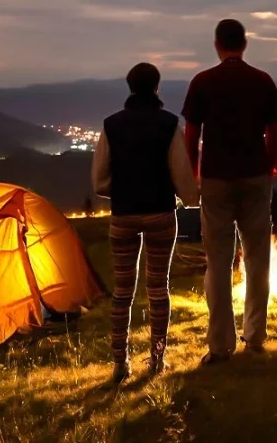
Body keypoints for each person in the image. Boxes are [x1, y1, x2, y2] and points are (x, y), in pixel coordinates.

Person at [182, 19, 277, 364]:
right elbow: (274, 130)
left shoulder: (202, 82)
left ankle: (221, 345)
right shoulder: (263, 81)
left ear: (217, 44)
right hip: (255, 176)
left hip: (216, 178)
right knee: (257, 258)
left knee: (219, 260)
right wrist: (271, 165)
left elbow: (192, 135)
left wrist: (193, 174)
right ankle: (254, 335)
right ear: (245, 43)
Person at [92, 61, 199, 384]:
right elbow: (181, 174)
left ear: (129, 87)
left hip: (123, 215)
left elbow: (99, 181)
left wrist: (122, 191)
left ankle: (119, 362)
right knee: (158, 288)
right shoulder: (168, 124)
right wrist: (189, 199)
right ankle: (157, 357)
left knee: (123, 291)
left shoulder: (111, 125)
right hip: (161, 214)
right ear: (156, 87)